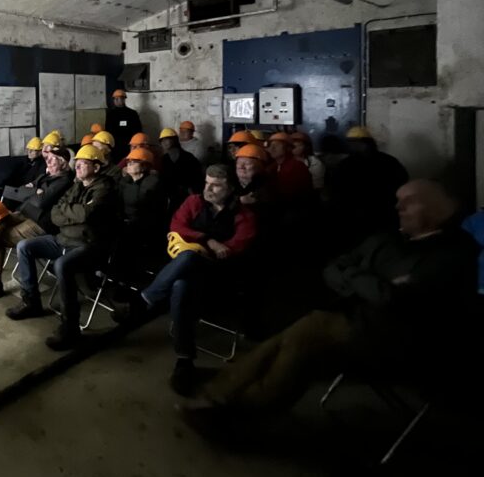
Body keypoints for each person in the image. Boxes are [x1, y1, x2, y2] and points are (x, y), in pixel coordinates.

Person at [182, 180, 479, 433]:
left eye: (410, 203)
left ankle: (235, 404)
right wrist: (367, 279)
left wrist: (360, 278)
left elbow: (392, 299)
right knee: (294, 338)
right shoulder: (389, 239)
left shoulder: (453, 253)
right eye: (399, 201)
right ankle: (225, 392)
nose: (399, 208)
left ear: (434, 210)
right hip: (355, 320)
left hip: (398, 339)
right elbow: (334, 268)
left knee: (307, 336)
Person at [114, 165, 257, 395]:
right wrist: (208, 240)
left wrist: (208, 248)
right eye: (206, 183)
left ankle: (142, 303)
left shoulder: (244, 216)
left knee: (189, 257)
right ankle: (185, 360)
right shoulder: (195, 203)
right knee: (181, 284)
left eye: (216, 185)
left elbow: (235, 248)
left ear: (230, 188)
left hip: (220, 274)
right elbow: (177, 226)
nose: (208, 188)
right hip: (191, 272)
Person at [6, 144, 121, 351]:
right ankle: (31, 302)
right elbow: (55, 214)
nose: (77, 168)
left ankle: (70, 328)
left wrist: (72, 214)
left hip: (88, 245)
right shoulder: (77, 186)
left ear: (96, 167)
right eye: (76, 164)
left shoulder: (105, 190)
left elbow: (87, 215)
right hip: (64, 239)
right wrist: (74, 214)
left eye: (83, 164)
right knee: (25, 246)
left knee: (61, 266)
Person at [0, 148, 74, 300]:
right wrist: (36, 191)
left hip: (39, 223)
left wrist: (35, 192)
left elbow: (41, 201)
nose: (48, 161)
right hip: (24, 213)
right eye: (48, 158)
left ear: (64, 164)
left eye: (53, 159)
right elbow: (23, 190)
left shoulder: (64, 181)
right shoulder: (47, 176)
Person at [328, 126, 409, 245]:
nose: (354, 146)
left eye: (358, 143)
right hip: (355, 218)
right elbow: (337, 190)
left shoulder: (388, 162)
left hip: (382, 216)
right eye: (351, 143)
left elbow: (401, 183)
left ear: (368, 143)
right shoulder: (345, 165)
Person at [159, 127, 204, 211]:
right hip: (171, 199)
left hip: (186, 198)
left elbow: (198, 179)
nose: (164, 142)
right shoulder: (164, 159)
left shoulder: (189, 158)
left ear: (175, 140)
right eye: (162, 140)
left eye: (167, 139)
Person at [265, 132, 314, 202]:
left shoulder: (297, 167)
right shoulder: (273, 167)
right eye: (270, 145)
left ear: (288, 148)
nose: (272, 148)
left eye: (277, 145)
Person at [105, 88, 143, 162]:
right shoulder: (111, 114)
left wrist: (135, 144)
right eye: (115, 99)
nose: (116, 101)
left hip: (129, 145)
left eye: (118, 99)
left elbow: (137, 130)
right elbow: (108, 130)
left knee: (130, 161)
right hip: (116, 146)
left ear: (124, 99)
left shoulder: (132, 113)